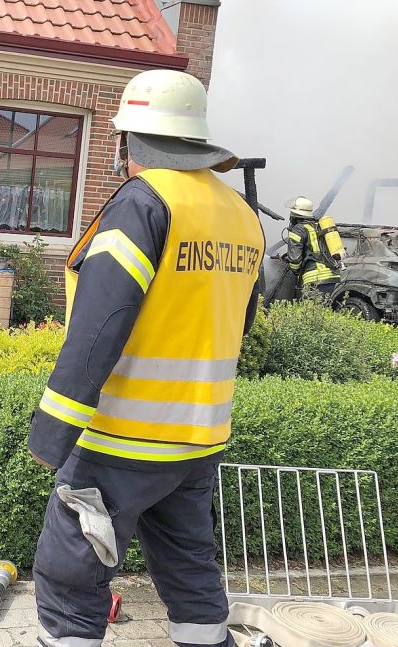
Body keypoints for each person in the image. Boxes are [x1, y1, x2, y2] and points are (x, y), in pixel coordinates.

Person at [27, 69, 265, 647]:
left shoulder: (143, 203)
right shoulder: (239, 214)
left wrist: (53, 430)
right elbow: (241, 320)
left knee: (72, 570)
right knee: (189, 567)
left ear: (126, 138)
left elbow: (101, 324)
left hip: (122, 439)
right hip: (198, 438)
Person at [281, 196, 341, 298]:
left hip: (315, 277)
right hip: (332, 276)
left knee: (311, 311)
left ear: (295, 215)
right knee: (325, 309)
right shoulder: (318, 226)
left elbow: (295, 259)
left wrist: (295, 270)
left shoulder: (298, 230)